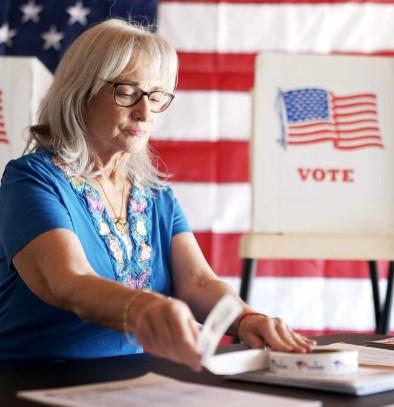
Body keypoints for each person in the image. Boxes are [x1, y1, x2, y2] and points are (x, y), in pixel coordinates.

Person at [0, 19, 314, 369]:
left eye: (156, 95)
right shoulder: (30, 180)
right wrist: (143, 306)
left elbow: (197, 282)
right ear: (81, 91)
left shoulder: (154, 194)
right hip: (37, 379)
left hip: (136, 379)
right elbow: (69, 283)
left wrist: (245, 319)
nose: (145, 112)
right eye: (127, 92)